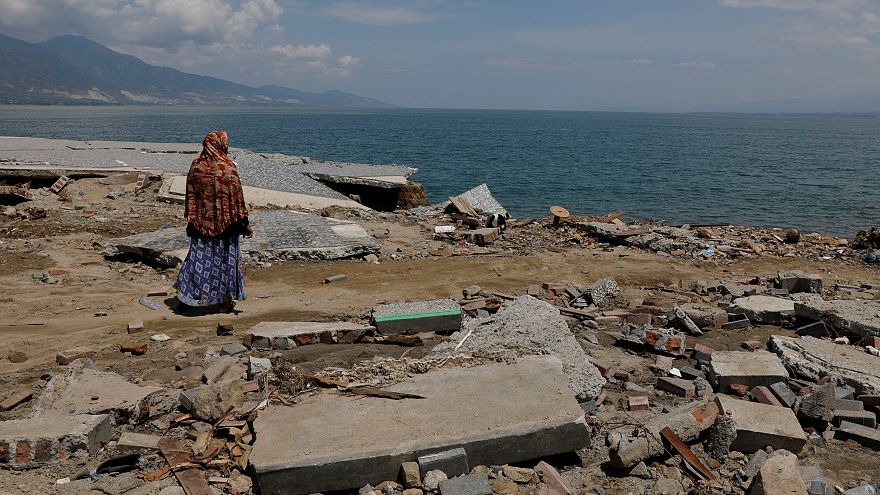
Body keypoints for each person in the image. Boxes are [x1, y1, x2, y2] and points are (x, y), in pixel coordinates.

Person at [173, 130, 253, 313]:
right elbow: (237, 200)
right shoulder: (227, 167)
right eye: (226, 142)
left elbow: (190, 195)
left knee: (197, 262)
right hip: (227, 227)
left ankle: (187, 298)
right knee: (225, 264)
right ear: (220, 144)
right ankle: (223, 302)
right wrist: (245, 224)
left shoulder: (196, 166)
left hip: (200, 225)